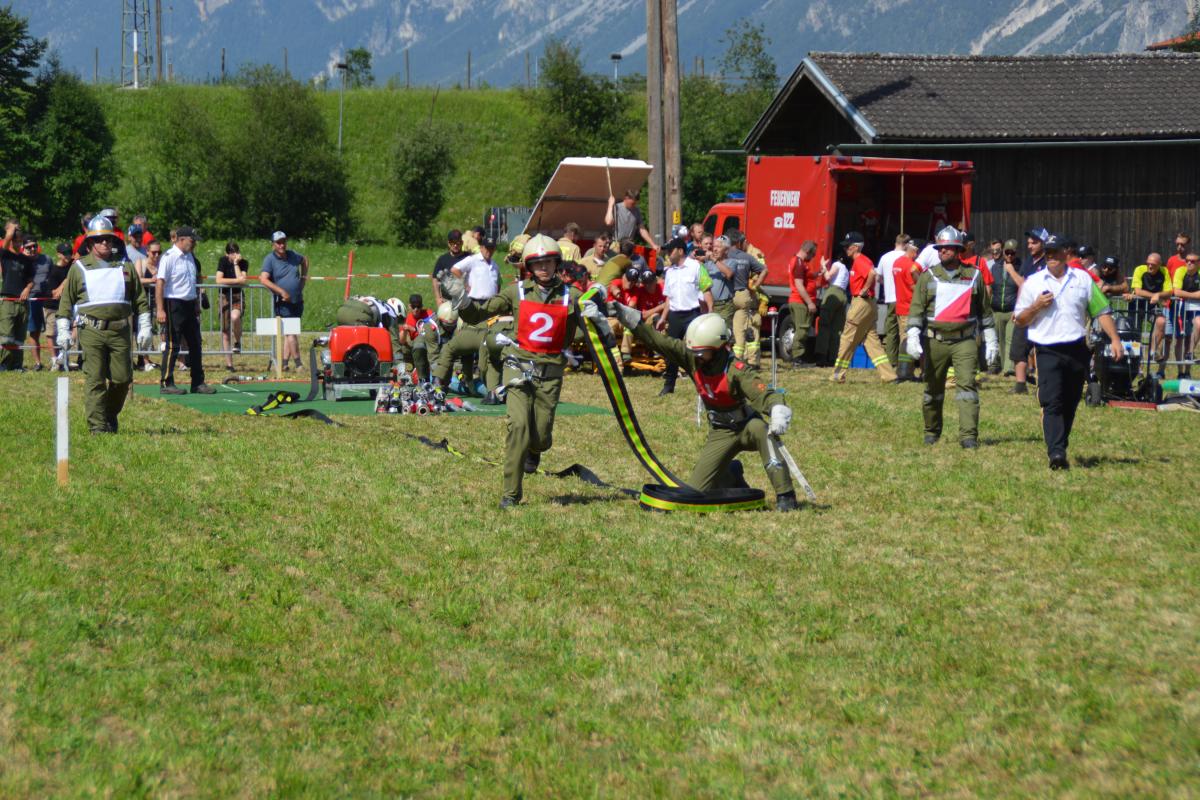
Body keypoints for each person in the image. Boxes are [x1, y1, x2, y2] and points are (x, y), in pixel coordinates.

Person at [615, 306, 799, 511]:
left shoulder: (736, 370)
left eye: (701, 353)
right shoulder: (693, 358)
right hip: (721, 431)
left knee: (764, 431)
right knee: (697, 493)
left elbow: (762, 391)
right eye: (694, 352)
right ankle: (731, 473)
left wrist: (776, 407)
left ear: (718, 348)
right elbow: (661, 342)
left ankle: (786, 495)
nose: (696, 357)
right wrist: (633, 322)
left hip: (746, 426)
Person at [457, 234, 589, 508]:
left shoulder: (572, 296)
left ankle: (535, 449)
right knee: (518, 427)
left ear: (557, 263)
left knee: (540, 437)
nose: (543, 267)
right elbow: (479, 313)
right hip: (517, 367)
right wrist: (461, 299)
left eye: (548, 262)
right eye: (537, 263)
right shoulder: (515, 292)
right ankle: (511, 494)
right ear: (529, 266)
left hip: (550, 374)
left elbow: (593, 325)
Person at [1013, 233, 1123, 470]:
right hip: (1047, 349)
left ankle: (1060, 444)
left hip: (1076, 348)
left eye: (1055, 252)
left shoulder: (1082, 279)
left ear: (1066, 253)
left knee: (1071, 401)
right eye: (1048, 252)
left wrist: (1115, 339)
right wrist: (1036, 306)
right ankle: (1056, 452)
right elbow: (1019, 319)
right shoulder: (1033, 282)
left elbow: (1101, 311)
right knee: (1052, 401)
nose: (1051, 256)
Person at [55, 216, 152, 432]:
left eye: (109, 239)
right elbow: (66, 302)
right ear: (90, 243)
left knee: (122, 379)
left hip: (120, 331)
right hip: (91, 330)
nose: (105, 243)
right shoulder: (79, 268)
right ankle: (97, 426)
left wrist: (145, 325)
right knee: (95, 379)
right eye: (99, 240)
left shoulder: (125, 265)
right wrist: (63, 330)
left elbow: (140, 299)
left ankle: (108, 414)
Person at [905, 226, 997, 448]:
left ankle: (968, 437)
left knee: (967, 389)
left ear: (959, 250)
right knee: (932, 390)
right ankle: (931, 432)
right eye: (940, 248)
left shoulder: (974, 275)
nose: (942, 251)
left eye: (947, 248)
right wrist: (913, 335)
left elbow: (985, 312)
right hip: (934, 341)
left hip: (965, 341)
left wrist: (991, 340)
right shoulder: (927, 276)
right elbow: (916, 309)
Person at [830, 231, 896, 383]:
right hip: (869, 304)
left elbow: (872, 273)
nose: (845, 249)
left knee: (847, 338)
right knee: (872, 341)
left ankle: (838, 374)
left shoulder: (860, 261)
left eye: (847, 246)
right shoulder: (862, 260)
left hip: (861, 303)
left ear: (855, 247)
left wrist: (864, 289)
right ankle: (889, 375)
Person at [156, 226, 214, 396]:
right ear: (181, 239)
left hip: (189, 304)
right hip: (174, 303)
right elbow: (160, 283)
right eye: (192, 240)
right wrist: (160, 309)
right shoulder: (169, 257)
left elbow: (191, 282)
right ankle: (166, 383)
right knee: (173, 345)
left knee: (195, 343)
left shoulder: (190, 257)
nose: (194, 243)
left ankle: (198, 382)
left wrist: (195, 302)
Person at [258, 230, 309, 371]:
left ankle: (284, 363)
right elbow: (263, 279)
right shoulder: (269, 259)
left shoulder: (293, 255)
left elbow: (305, 260)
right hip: (283, 303)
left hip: (297, 300)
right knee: (291, 332)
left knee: (290, 333)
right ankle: (298, 364)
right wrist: (281, 292)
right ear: (273, 244)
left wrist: (303, 279)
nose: (281, 245)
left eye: (283, 242)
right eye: (278, 243)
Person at [659, 236, 704, 394]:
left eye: (670, 251)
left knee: (697, 352)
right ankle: (669, 385)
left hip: (693, 314)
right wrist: (663, 318)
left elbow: (704, 292)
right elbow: (668, 298)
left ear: (679, 251)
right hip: (675, 316)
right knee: (672, 352)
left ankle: (702, 385)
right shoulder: (670, 272)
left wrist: (707, 314)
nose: (668, 254)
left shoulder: (695, 267)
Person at [1010, 229, 1048, 394]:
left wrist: (1010, 270)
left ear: (1043, 243)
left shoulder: (1048, 262)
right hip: (1025, 310)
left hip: (1043, 311)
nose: (1030, 246)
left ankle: (1045, 384)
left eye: (1034, 243)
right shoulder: (1028, 262)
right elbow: (1023, 286)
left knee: (1043, 349)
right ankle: (1020, 385)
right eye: (1029, 243)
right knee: (1019, 347)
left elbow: (1022, 283)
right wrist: (1017, 308)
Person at [725, 230, 765, 363]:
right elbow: (764, 270)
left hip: (733, 296)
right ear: (740, 243)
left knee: (738, 328)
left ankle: (746, 360)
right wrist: (756, 285)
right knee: (741, 329)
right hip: (744, 295)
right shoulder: (747, 257)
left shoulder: (724, 255)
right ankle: (741, 361)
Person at [1131, 253, 1172, 378]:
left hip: (1153, 306)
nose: (1149, 266)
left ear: (1159, 265)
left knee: (1161, 321)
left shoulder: (1164, 272)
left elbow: (1169, 291)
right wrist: (1155, 295)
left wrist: (1159, 295)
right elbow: (1138, 291)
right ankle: (1137, 366)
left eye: (1153, 264)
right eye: (1148, 263)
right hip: (1136, 305)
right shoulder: (1139, 269)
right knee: (1135, 335)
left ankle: (1152, 351)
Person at [0, 221, 34, 371]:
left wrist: (27, 289)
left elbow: (31, 280)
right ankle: (4, 364)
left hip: (23, 303)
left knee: (20, 336)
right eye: (16, 241)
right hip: (8, 301)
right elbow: (6, 239)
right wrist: (12, 228)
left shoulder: (26, 260)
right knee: (7, 335)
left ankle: (17, 365)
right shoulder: (5, 255)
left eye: (20, 241)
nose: (18, 244)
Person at [989, 239, 1022, 375]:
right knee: (998, 339)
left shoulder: (1020, 267)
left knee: (1010, 338)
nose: (1009, 256)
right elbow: (990, 287)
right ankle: (999, 366)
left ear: (1016, 253)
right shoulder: (995, 267)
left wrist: (1012, 271)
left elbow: (1023, 286)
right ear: (1003, 252)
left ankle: (1009, 369)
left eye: (1012, 253)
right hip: (997, 309)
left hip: (1012, 310)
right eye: (1007, 252)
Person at [877, 234, 910, 369]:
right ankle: (904, 362)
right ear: (906, 244)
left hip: (890, 298)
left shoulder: (884, 257)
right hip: (905, 298)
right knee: (905, 331)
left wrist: (887, 284)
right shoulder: (907, 258)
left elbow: (878, 277)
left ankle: (891, 361)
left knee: (891, 331)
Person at [22, 235, 55, 370]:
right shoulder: (22, 261)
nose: (33, 249)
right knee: (34, 331)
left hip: (47, 299)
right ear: (24, 248)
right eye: (29, 247)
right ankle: (37, 363)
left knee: (52, 331)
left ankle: (55, 361)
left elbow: (53, 275)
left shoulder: (47, 259)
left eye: (34, 246)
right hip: (31, 299)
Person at [892, 239, 923, 381]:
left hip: (900, 306)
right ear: (914, 251)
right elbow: (914, 287)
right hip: (910, 308)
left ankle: (904, 371)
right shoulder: (910, 266)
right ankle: (905, 373)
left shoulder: (897, 262)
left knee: (903, 339)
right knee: (908, 341)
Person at [335, 295, 406, 357]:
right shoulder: (391, 313)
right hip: (359, 314)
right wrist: (399, 363)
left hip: (342, 310)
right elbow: (395, 343)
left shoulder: (377, 302)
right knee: (364, 349)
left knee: (347, 341)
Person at [216, 241, 249, 371]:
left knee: (235, 317)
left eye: (236, 252)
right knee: (225, 331)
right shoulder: (222, 261)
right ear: (227, 254)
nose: (234, 255)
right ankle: (229, 364)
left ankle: (237, 341)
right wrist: (236, 281)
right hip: (224, 296)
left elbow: (243, 280)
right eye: (231, 253)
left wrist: (236, 264)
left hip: (237, 296)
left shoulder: (243, 263)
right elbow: (219, 280)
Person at [814, 250, 850, 366]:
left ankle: (821, 357)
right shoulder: (846, 270)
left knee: (824, 325)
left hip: (833, 292)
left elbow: (828, 277)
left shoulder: (837, 264)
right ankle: (833, 358)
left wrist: (823, 266)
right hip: (843, 295)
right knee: (837, 329)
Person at [412, 301, 458, 383]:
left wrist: (458, 370)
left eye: (452, 326)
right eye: (447, 326)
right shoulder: (430, 327)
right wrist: (438, 378)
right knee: (419, 346)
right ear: (440, 320)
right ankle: (423, 379)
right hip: (429, 344)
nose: (450, 329)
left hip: (442, 345)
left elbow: (458, 349)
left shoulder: (458, 325)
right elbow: (433, 355)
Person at [1173, 251, 1200, 377]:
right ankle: (1180, 372)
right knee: (1179, 340)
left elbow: (1181, 292)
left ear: (1198, 263)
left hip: (1196, 309)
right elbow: (1177, 292)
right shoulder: (1180, 271)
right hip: (1181, 308)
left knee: (1198, 326)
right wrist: (1195, 295)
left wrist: (1186, 295)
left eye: (1192, 261)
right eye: (1187, 260)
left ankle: (1189, 356)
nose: (1189, 263)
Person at [432, 230, 470, 306]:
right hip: (447, 301)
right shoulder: (442, 259)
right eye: (452, 243)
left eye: (458, 243)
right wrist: (438, 298)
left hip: (466, 300)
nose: (455, 245)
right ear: (448, 243)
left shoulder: (469, 257)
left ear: (462, 243)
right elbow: (435, 279)